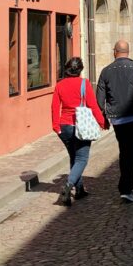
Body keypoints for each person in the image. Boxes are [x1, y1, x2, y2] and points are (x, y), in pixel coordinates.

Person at [96, 40, 133, 204]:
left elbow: (100, 99)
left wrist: (104, 117)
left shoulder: (106, 71)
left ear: (115, 52)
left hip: (118, 120)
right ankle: (126, 187)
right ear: (128, 52)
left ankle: (128, 185)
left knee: (124, 150)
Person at [51, 56, 107, 207]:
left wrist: (56, 126)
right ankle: (68, 186)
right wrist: (102, 122)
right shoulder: (84, 83)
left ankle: (80, 189)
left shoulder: (60, 85)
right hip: (81, 126)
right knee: (82, 159)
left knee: (74, 158)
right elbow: (93, 106)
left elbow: (55, 107)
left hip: (64, 126)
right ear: (80, 70)